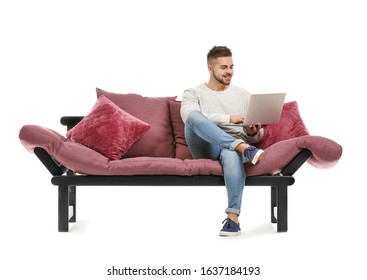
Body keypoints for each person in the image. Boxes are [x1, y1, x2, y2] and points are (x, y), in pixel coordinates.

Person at [180, 46, 265, 236]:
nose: (229, 72)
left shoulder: (243, 94)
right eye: (224, 67)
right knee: (193, 116)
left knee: (230, 151)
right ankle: (241, 147)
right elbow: (188, 117)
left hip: (235, 148)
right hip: (206, 146)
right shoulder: (193, 93)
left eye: (231, 66)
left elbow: (259, 134)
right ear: (210, 68)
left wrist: (252, 134)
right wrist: (229, 119)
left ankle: (233, 219)